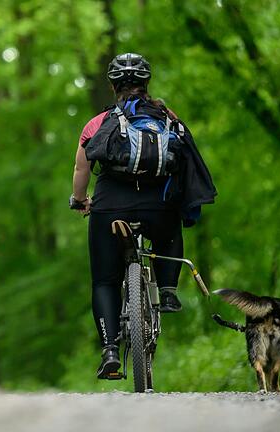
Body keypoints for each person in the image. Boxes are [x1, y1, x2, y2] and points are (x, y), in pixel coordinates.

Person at [71, 53, 214, 379]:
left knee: (105, 281)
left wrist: (80, 201)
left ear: (112, 85)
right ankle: (167, 290)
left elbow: (81, 170)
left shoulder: (97, 123)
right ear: (146, 83)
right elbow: (186, 160)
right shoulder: (167, 117)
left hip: (110, 209)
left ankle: (109, 350)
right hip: (159, 208)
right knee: (169, 230)